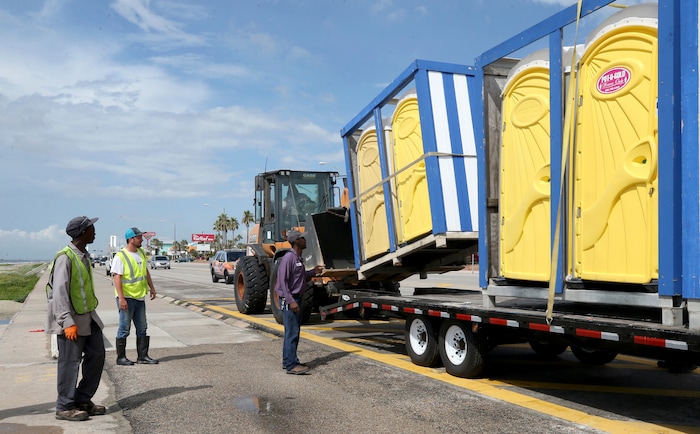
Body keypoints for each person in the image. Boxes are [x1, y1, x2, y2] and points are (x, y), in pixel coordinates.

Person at [46, 216, 106, 421]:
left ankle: (82, 399)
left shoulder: (84, 256)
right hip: (71, 320)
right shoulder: (66, 257)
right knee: (69, 362)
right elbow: (59, 293)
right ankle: (64, 407)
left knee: (97, 356)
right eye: (92, 228)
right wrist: (66, 322)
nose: (94, 232)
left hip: (88, 317)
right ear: (83, 233)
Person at [274, 230, 324, 375]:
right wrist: (291, 301)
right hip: (291, 299)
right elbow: (282, 282)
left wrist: (314, 272)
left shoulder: (297, 258)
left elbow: (300, 278)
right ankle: (291, 365)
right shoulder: (289, 258)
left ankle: (288, 361)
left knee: (292, 331)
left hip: (296, 297)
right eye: (302, 238)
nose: (305, 240)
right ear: (296, 242)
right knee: (292, 332)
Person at [110, 227, 159, 366]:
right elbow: (117, 278)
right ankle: (121, 358)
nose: (141, 239)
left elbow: (145, 271)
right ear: (131, 239)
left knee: (142, 327)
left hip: (139, 297)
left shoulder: (141, 252)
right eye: (139, 237)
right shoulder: (121, 256)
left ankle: (142, 356)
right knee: (124, 328)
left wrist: (152, 287)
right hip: (127, 297)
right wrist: (121, 298)